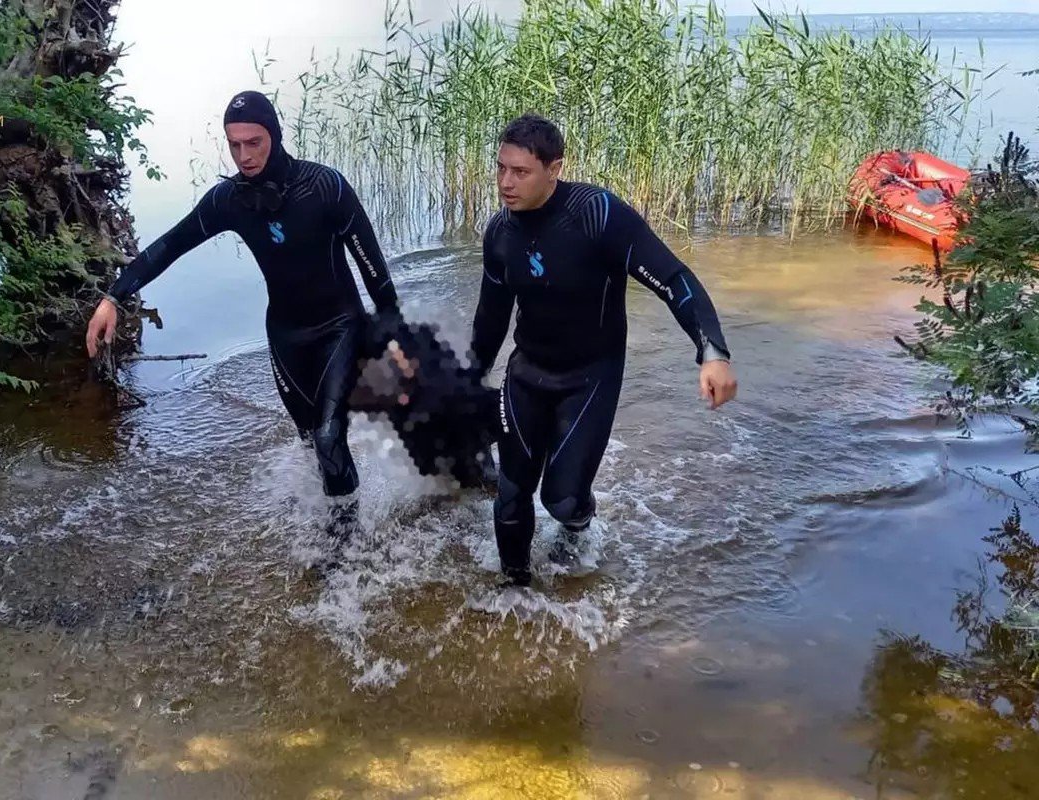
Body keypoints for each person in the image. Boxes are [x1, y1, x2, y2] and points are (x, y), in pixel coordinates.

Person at [85, 90, 398, 555]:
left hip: (340, 326)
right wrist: (113, 296)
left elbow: (372, 264)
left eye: (254, 142)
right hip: (286, 335)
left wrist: (393, 333)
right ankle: (336, 508)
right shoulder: (229, 201)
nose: (245, 155)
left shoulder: (325, 187)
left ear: (274, 134)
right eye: (235, 145)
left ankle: (345, 551)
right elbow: (170, 246)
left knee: (330, 436)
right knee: (311, 440)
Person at [469, 114, 739, 588]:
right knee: (510, 495)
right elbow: (491, 316)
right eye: (500, 168)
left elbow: (673, 279)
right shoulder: (500, 233)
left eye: (520, 172)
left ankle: (576, 529)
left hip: (589, 377)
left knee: (561, 499)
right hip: (527, 371)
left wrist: (711, 350)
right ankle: (515, 592)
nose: (506, 183)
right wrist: (471, 376)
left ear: (554, 169)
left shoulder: (597, 215)